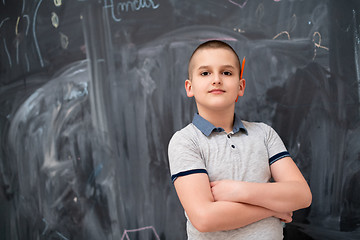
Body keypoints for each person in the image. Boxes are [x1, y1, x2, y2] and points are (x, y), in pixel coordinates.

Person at [167, 40, 312, 239]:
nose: (216, 79)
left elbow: (302, 195)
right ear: (189, 87)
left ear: (240, 86)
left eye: (227, 73)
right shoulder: (186, 141)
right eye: (205, 73)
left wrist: (237, 190)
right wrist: (272, 209)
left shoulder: (264, 134)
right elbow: (204, 218)